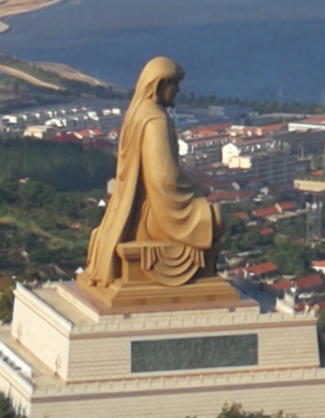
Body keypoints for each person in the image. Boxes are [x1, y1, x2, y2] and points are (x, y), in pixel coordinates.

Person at [83, 56, 222, 288]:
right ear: (159, 85)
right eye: (174, 85)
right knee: (217, 217)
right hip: (153, 213)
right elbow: (165, 180)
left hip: (133, 209)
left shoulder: (136, 114)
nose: (177, 91)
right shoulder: (155, 120)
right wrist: (197, 189)